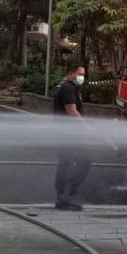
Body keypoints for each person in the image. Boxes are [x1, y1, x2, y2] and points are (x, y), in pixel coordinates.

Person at [53, 62, 92, 211]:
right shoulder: (68, 88)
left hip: (64, 132)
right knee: (84, 160)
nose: (82, 77)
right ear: (71, 73)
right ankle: (66, 195)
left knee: (66, 162)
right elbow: (71, 111)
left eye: (83, 75)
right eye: (80, 74)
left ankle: (62, 197)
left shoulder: (64, 86)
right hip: (68, 133)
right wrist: (86, 127)